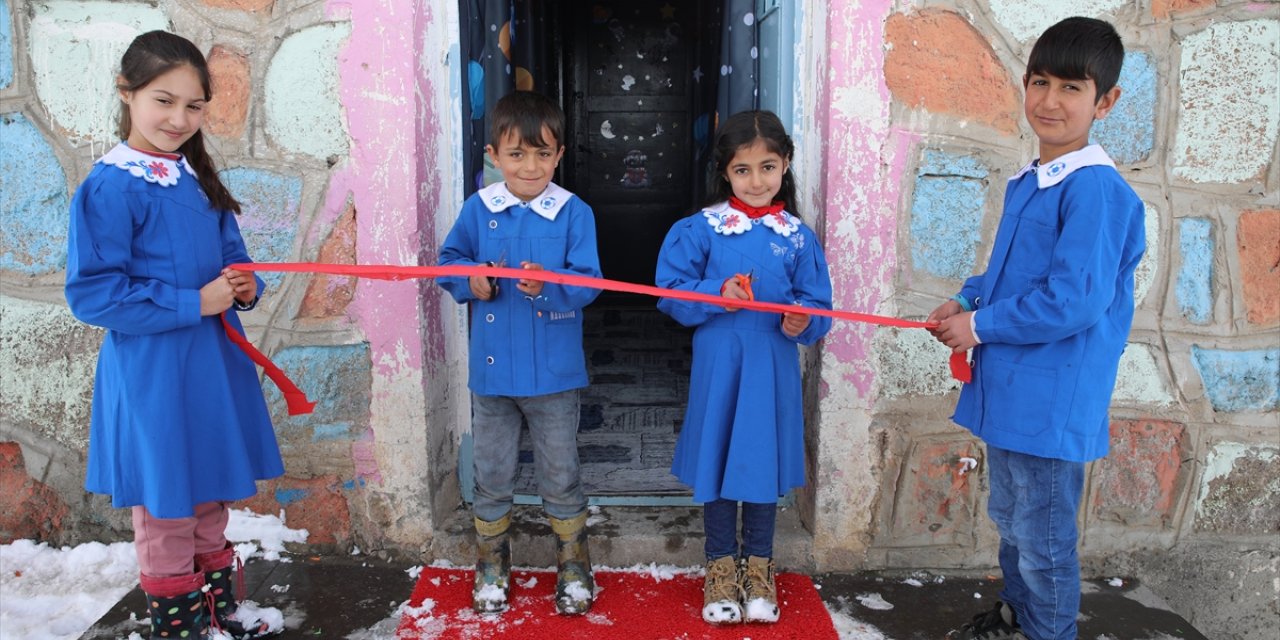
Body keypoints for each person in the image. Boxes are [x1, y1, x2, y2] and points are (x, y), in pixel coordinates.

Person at [927, 17, 1146, 640]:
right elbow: (1009, 276)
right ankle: (1015, 619)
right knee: (1013, 519)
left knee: (1045, 538)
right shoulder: (1034, 179)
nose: (1050, 101)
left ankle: (1049, 632)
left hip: (1051, 399)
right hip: (1013, 387)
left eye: (1072, 88)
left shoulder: (1095, 191)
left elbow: (1073, 301)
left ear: (1106, 101)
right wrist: (964, 301)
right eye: (1040, 82)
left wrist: (981, 325)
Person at [63, 31, 285, 640]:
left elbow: (231, 256)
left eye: (193, 106)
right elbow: (94, 294)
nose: (179, 118)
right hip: (154, 370)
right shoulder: (110, 186)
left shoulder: (194, 177)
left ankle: (215, 610)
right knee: (167, 504)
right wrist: (196, 301)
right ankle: (178, 623)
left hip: (210, 363)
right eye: (164, 101)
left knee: (209, 489)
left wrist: (243, 286)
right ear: (127, 94)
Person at [655, 110, 833, 625]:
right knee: (717, 462)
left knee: (757, 465)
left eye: (768, 167)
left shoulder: (798, 237)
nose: (756, 181)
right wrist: (717, 294)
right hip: (720, 362)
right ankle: (718, 567)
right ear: (725, 172)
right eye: (743, 170)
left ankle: (758, 567)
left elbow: (816, 305)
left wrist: (804, 323)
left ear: (786, 165)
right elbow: (670, 293)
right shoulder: (701, 229)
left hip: (771, 364)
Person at [437, 91, 603, 616]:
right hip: (493, 377)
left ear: (558, 155)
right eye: (516, 154)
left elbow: (590, 282)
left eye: (542, 153)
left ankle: (573, 561)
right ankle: (491, 562)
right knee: (492, 472)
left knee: (561, 471)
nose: (529, 166)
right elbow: (448, 262)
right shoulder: (478, 209)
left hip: (554, 375)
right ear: (493, 155)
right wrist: (472, 280)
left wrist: (549, 287)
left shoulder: (575, 213)